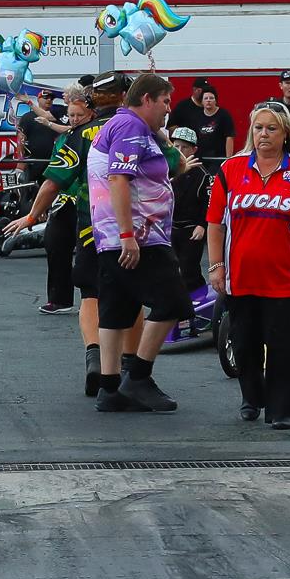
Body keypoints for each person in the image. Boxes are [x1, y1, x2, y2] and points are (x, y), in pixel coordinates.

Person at [208, 103, 290, 429]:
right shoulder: (231, 169)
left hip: (286, 280)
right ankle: (252, 398)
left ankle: (282, 410)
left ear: (285, 134)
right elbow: (215, 223)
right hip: (241, 277)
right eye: (258, 128)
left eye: (271, 128)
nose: (263, 134)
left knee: (283, 347)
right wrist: (216, 265)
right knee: (244, 343)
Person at [6, 72, 131, 394]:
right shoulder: (135, 127)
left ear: (92, 103)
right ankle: (130, 367)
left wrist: (31, 215)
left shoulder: (79, 135)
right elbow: (169, 168)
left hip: (91, 225)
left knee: (90, 294)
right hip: (131, 228)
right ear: (125, 96)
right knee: (130, 296)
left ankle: (94, 356)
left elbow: (53, 181)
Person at [89, 73, 187, 413]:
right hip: (140, 237)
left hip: (113, 237)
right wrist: (128, 235)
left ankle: (109, 387)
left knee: (118, 308)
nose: (168, 109)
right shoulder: (130, 127)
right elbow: (118, 177)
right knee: (173, 303)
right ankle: (139, 377)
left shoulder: (126, 126)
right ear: (147, 99)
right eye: (165, 101)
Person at [36, 89, 92, 314]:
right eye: (72, 115)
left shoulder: (92, 136)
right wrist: (42, 205)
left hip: (88, 201)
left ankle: (94, 298)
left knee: (88, 253)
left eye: (79, 115)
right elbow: (53, 174)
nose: (75, 119)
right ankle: (59, 299)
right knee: (55, 244)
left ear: (90, 114)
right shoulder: (63, 139)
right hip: (63, 199)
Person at [169, 128, 210, 291]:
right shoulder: (166, 169)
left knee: (189, 270)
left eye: (184, 147)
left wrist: (202, 225)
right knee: (170, 269)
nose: (180, 151)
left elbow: (209, 203)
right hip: (170, 227)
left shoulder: (202, 174)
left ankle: (198, 299)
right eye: (176, 146)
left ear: (194, 150)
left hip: (191, 229)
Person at [17, 93, 67, 187]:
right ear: (38, 99)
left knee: (53, 188)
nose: (49, 100)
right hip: (35, 161)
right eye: (45, 97)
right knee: (31, 189)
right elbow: (21, 138)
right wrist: (21, 160)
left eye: (51, 98)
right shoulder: (28, 117)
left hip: (55, 161)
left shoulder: (59, 116)